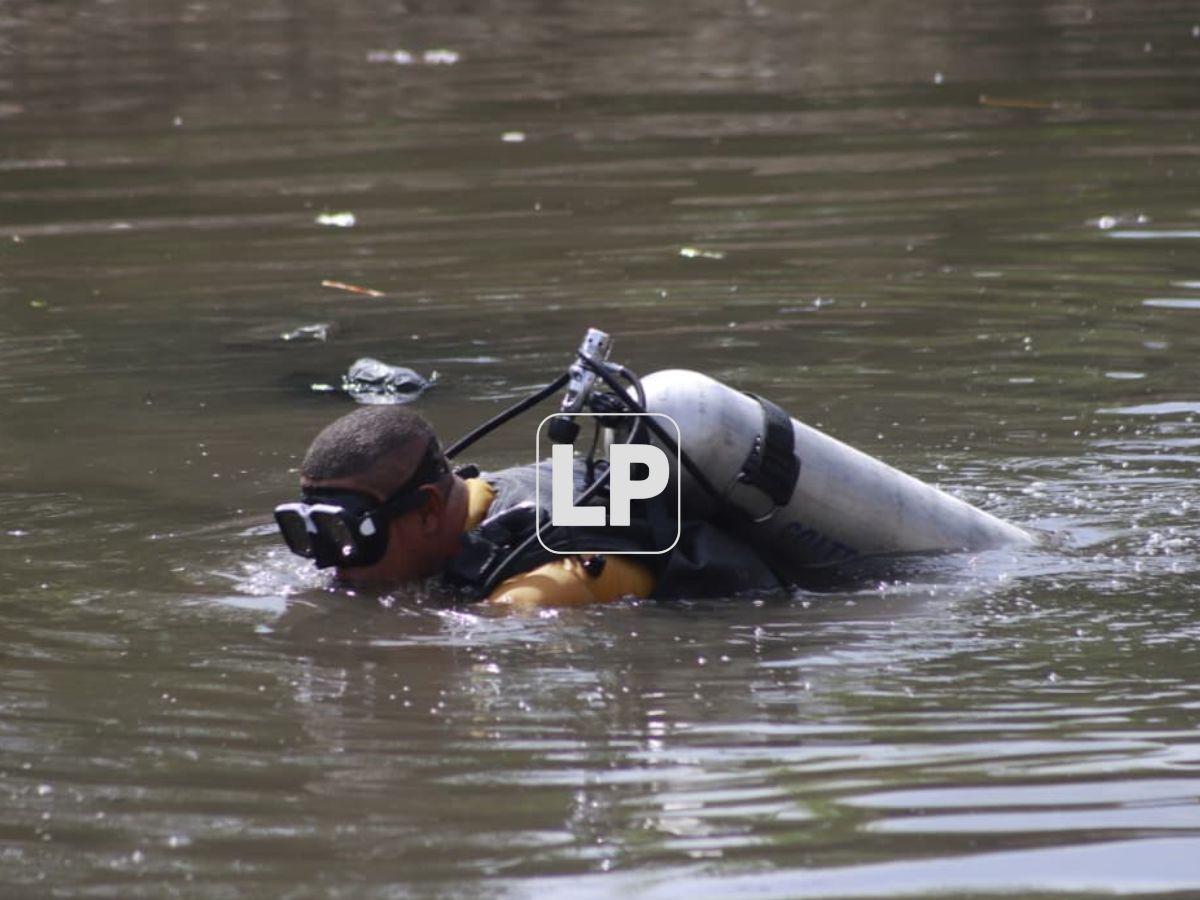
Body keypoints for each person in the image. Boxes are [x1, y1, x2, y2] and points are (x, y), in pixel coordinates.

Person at [278, 405, 785, 608]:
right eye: (309, 534)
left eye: (348, 533)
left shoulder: (535, 591)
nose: (330, 562)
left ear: (429, 509)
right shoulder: (483, 495)